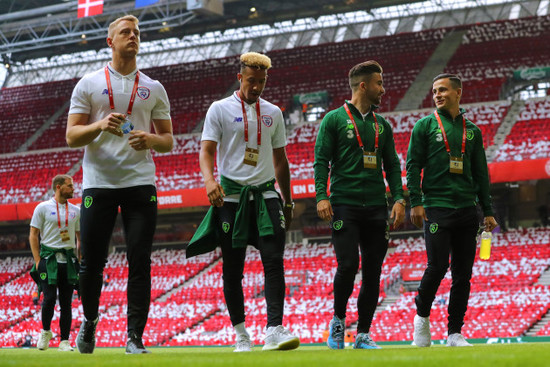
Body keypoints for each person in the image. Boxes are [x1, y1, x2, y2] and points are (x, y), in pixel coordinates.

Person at [66, 14, 173, 354]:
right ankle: (90, 322)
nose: (133, 36)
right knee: (92, 262)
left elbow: (169, 140)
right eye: (125, 32)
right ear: (109, 41)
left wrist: (150, 139)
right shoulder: (88, 84)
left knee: (139, 259)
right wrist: (98, 125)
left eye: (137, 32)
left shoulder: (153, 87)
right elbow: (71, 136)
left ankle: (134, 337)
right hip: (99, 184)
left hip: (141, 182)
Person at [187, 52, 300, 352]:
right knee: (232, 270)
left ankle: (274, 329)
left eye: (261, 82)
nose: (256, 87)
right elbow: (207, 150)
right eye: (251, 81)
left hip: (265, 198)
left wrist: (287, 202)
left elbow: (280, 160)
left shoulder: (274, 112)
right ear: (240, 77)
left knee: (274, 262)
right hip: (232, 200)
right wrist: (210, 182)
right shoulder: (219, 109)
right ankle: (241, 334)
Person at [314, 60, 406, 350]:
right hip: (345, 204)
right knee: (348, 265)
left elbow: (392, 165)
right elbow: (320, 161)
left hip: (377, 207)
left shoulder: (383, 125)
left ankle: (363, 334)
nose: (383, 88)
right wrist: (321, 195)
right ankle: (338, 322)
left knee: (373, 271)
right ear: (364, 86)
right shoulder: (333, 119)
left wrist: (400, 198)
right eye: (379, 83)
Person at [406, 73, 497, 347]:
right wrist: (416, 201)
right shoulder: (424, 126)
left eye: (443, 90)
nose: (437, 95)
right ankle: (421, 318)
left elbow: (481, 173)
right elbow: (412, 166)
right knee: (437, 266)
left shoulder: (474, 131)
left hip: (467, 210)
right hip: (436, 207)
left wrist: (488, 210)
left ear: (458, 92)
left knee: (463, 274)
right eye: (434, 91)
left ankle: (454, 332)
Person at [29, 174, 80, 352]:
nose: (73, 188)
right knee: (49, 298)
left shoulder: (76, 210)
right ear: (58, 187)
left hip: (68, 261)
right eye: (70, 185)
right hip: (48, 260)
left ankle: (64, 341)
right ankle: (45, 332)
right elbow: (33, 234)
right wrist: (37, 260)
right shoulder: (42, 208)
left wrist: (78, 259)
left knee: (66, 302)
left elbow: (80, 238)